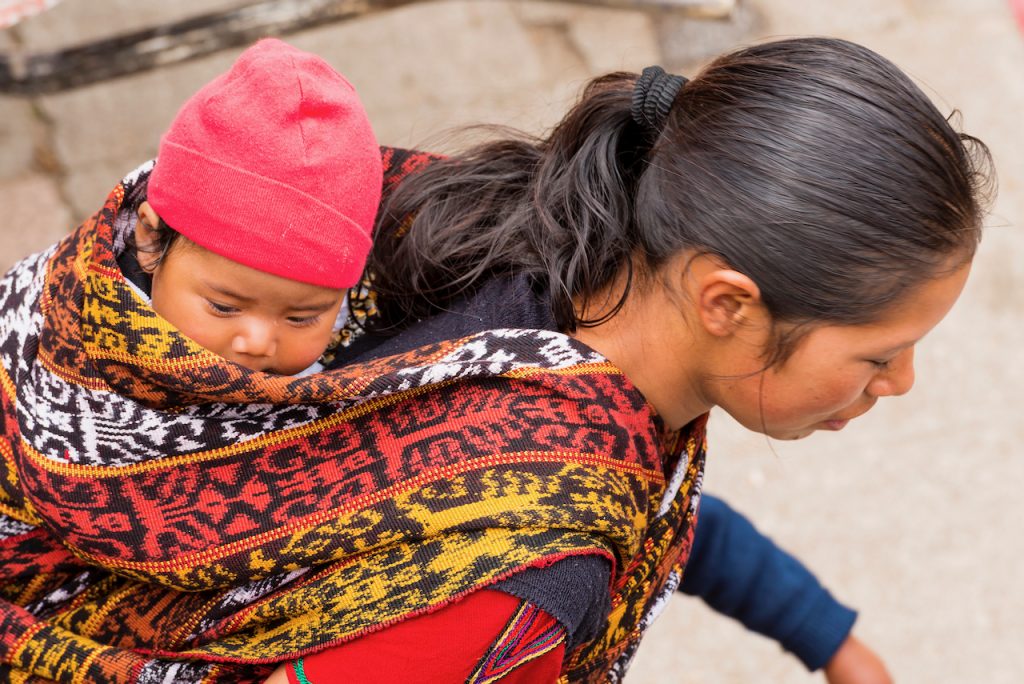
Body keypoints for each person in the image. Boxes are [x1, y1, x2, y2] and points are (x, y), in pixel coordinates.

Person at [0, 38, 990, 684]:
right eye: (881, 352)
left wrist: (817, 630)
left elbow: (605, 491)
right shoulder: (510, 595)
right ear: (726, 301)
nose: (897, 385)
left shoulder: (515, 225)